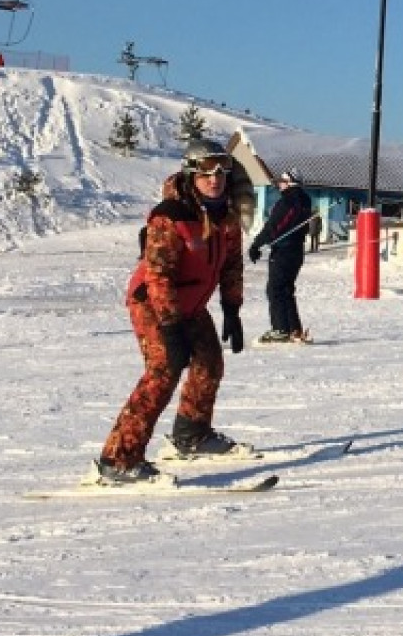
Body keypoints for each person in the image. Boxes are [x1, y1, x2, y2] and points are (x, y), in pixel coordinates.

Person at [95, 140, 252, 484]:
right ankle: (118, 459)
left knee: (209, 362)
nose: (215, 179)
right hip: (154, 302)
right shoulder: (170, 216)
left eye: (221, 171)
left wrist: (232, 308)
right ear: (192, 174)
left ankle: (191, 434)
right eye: (207, 172)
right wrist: (169, 327)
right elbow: (157, 275)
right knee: (163, 370)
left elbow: (231, 266)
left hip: (192, 306)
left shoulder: (225, 217)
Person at [250, 168, 314, 342]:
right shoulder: (305, 200)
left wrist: (256, 244)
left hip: (283, 251)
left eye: (282, 182)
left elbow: (273, 226)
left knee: (275, 289)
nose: (279, 184)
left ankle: (280, 329)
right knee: (286, 290)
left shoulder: (286, 202)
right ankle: (294, 328)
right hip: (296, 251)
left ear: (290, 183)